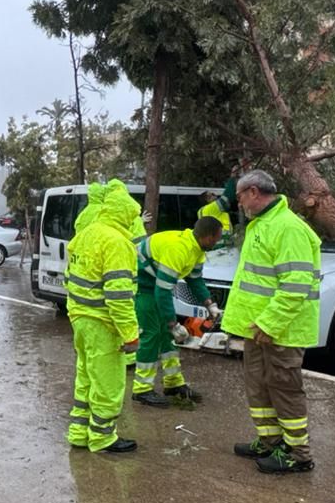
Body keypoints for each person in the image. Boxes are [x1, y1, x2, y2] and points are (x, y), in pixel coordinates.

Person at [220, 169, 322, 474]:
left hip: (281, 331)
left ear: (253, 192)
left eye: (239, 196)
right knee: (260, 387)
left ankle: (298, 454)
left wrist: (270, 323)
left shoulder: (287, 227)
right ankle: (270, 441)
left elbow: (296, 284)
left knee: (284, 390)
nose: (238, 203)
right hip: (259, 329)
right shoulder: (263, 224)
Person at [65, 181, 142, 453]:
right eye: (132, 217)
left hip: (80, 318)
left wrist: (76, 311)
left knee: (86, 376)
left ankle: (79, 432)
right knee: (108, 382)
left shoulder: (87, 233)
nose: (133, 222)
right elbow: (119, 297)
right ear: (125, 214)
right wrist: (130, 334)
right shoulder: (117, 242)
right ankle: (102, 437)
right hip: (102, 322)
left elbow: (70, 276)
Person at [131, 216, 224, 407]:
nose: (217, 243)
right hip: (141, 283)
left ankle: (173, 383)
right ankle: (142, 389)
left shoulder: (196, 249)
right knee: (152, 333)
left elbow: (195, 280)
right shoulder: (179, 249)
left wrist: (210, 305)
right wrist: (173, 324)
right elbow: (162, 291)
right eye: (216, 238)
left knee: (167, 335)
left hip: (154, 283)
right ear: (208, 236)